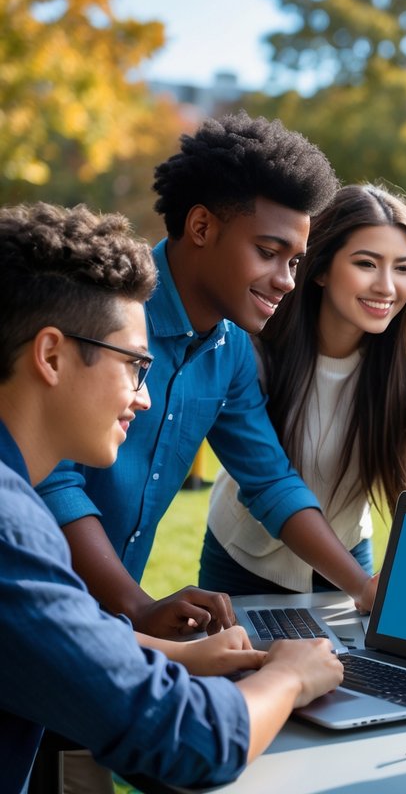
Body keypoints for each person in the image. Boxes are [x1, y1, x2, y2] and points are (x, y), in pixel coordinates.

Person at [0, 202, 342, 791]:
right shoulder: (13, 526)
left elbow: (43, 631)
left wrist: (174, 655)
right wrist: (289, 676)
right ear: (51, 355)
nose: (145, 397)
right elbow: (189, 741)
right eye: (135, 366)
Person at [34, 112, 381, 639]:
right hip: (35, 600)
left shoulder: (232, 348)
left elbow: (269, 481)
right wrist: (137, 604)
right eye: (268, 253)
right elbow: (53, 478)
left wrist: (361, 586)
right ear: (201, 227)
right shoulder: (100, 315)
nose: (286, 281)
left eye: (295, 261)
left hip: (106, 625)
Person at [200, 184, 406, 595]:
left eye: (403, 267)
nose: (387, 286)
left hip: (346, 557)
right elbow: (268, 482)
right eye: (366, 263)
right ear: (321, 268)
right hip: (243, 558)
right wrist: (362, 586)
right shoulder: (255, 352)